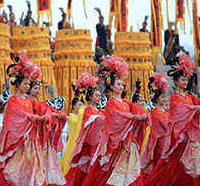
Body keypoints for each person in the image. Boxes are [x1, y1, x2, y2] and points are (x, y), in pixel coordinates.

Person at [0, 51, 50, 186]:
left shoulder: (29, 101)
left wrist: (48, 115)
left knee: (32, 168)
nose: (27, 87)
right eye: (25, 84)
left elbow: (42, 107)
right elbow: (17, 115)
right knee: (14, 168)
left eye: (28, 84)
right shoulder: (13, 100)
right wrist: (32, 117)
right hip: (18, 141)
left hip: (31, 139)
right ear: (18, 85)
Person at [82, 55, 149, 186]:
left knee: (131, 168)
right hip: (116, 142)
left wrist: (145, 114)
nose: (121, 86)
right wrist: (133, 117)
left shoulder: (125, 102)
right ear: (111, 86)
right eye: (118, 84)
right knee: (111, 171)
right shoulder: (111, 103)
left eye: (122, 84)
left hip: (128, 140)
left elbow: (137, 109)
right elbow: (116, 117)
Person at [145, 53, 200, 186]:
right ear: (175, 81)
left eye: (186, 80)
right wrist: (194, 108)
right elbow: (180, 111)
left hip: (191, 135)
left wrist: (195, 108)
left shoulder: (190, 97)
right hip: (180, 136)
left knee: (193, 162)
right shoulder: (175, 97)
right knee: (178, 163)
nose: (185, 83)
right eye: (182, 80)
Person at [66, 72, 105, 186]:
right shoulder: (87, 110)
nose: (98, 98)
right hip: (88, 143)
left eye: (99, 96)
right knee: (84, 167)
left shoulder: (100, 111)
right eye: (96, 96)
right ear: (90, 97)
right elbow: (89, 121)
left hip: (97, 143)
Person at [28, 82, 67, 186]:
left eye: (38, 88)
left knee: (45, 162)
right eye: (35, 88)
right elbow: (45, 113)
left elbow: (48, 111)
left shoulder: (41, 103)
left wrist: (59, 114)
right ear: (29, 89)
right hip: (33, 136)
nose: (37, 91)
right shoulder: (28, 103)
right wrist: (54, 115)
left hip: (44, 137)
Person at [141, 71, 171, 176]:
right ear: (157, 99)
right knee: (159, 166)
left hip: (168, 140)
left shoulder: (167, 112)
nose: (165, 99)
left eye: (165, 97)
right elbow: (158, 128)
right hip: (159, 141)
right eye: (162, 97)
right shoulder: (154, 112)